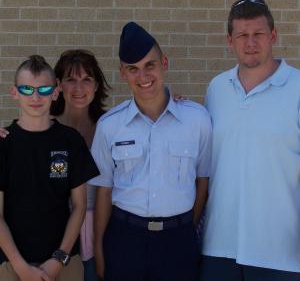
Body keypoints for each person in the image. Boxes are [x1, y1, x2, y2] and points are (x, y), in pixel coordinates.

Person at [88, 21, 212, 281]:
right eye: (133, 69)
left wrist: (185, 226)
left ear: (164, 63)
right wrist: (99, 248)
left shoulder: (197, 120)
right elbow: (104, 191)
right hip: (124, 240)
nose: (143, 77)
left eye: (150, 65)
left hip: (177, 242)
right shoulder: (110, 125)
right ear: (123, 72)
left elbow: (203, 181)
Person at [199, 0, 300, 281]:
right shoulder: (217, 88)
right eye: (243, 35)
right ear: (230, 40)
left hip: (281, 252)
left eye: (258, 34)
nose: (251, 42)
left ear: (273, 35)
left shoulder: (297, 88)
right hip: (219, 247)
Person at [0, 55, 99, 281]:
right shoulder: (3, 144)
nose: (35, 97)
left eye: (44, 89)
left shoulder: (71, 141)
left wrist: (59, 258)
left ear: (55, 92)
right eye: (27, 89)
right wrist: (20, 266)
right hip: (11, 263)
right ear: (14, 92)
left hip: (65, 263)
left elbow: (79, 206)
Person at [51, 49, 110, 281]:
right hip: (57, 230)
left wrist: (172, 100)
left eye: (87, 80)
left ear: (96, 86)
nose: (79, 88)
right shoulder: (44, 128)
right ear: (58, 85)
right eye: (71, 80)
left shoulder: (111, 126)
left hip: (102, 228)